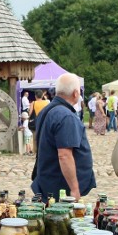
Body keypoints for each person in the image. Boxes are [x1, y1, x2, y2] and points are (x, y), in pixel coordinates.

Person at [30, 73, 95, 201]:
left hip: (49, 178)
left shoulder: (47, 110)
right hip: (60, 187)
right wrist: (75, 188)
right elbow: (64, 155)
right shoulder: (66, 116)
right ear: (76, 93)